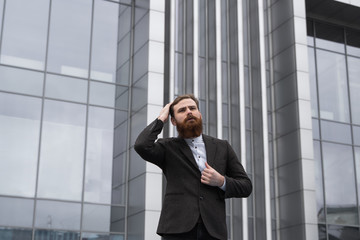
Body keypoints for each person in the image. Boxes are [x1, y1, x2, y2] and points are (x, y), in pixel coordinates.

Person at [134, 94, 252, 240]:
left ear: (200, 115)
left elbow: (246, 186)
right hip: (176, 230)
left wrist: (221, 181)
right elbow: (141, 145)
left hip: (213, 231)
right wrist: (161, 118)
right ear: (173, 121)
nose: (189, 111)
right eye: (182, 110)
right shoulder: (167, 147)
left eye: (192, 108)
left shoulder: (222, 147)